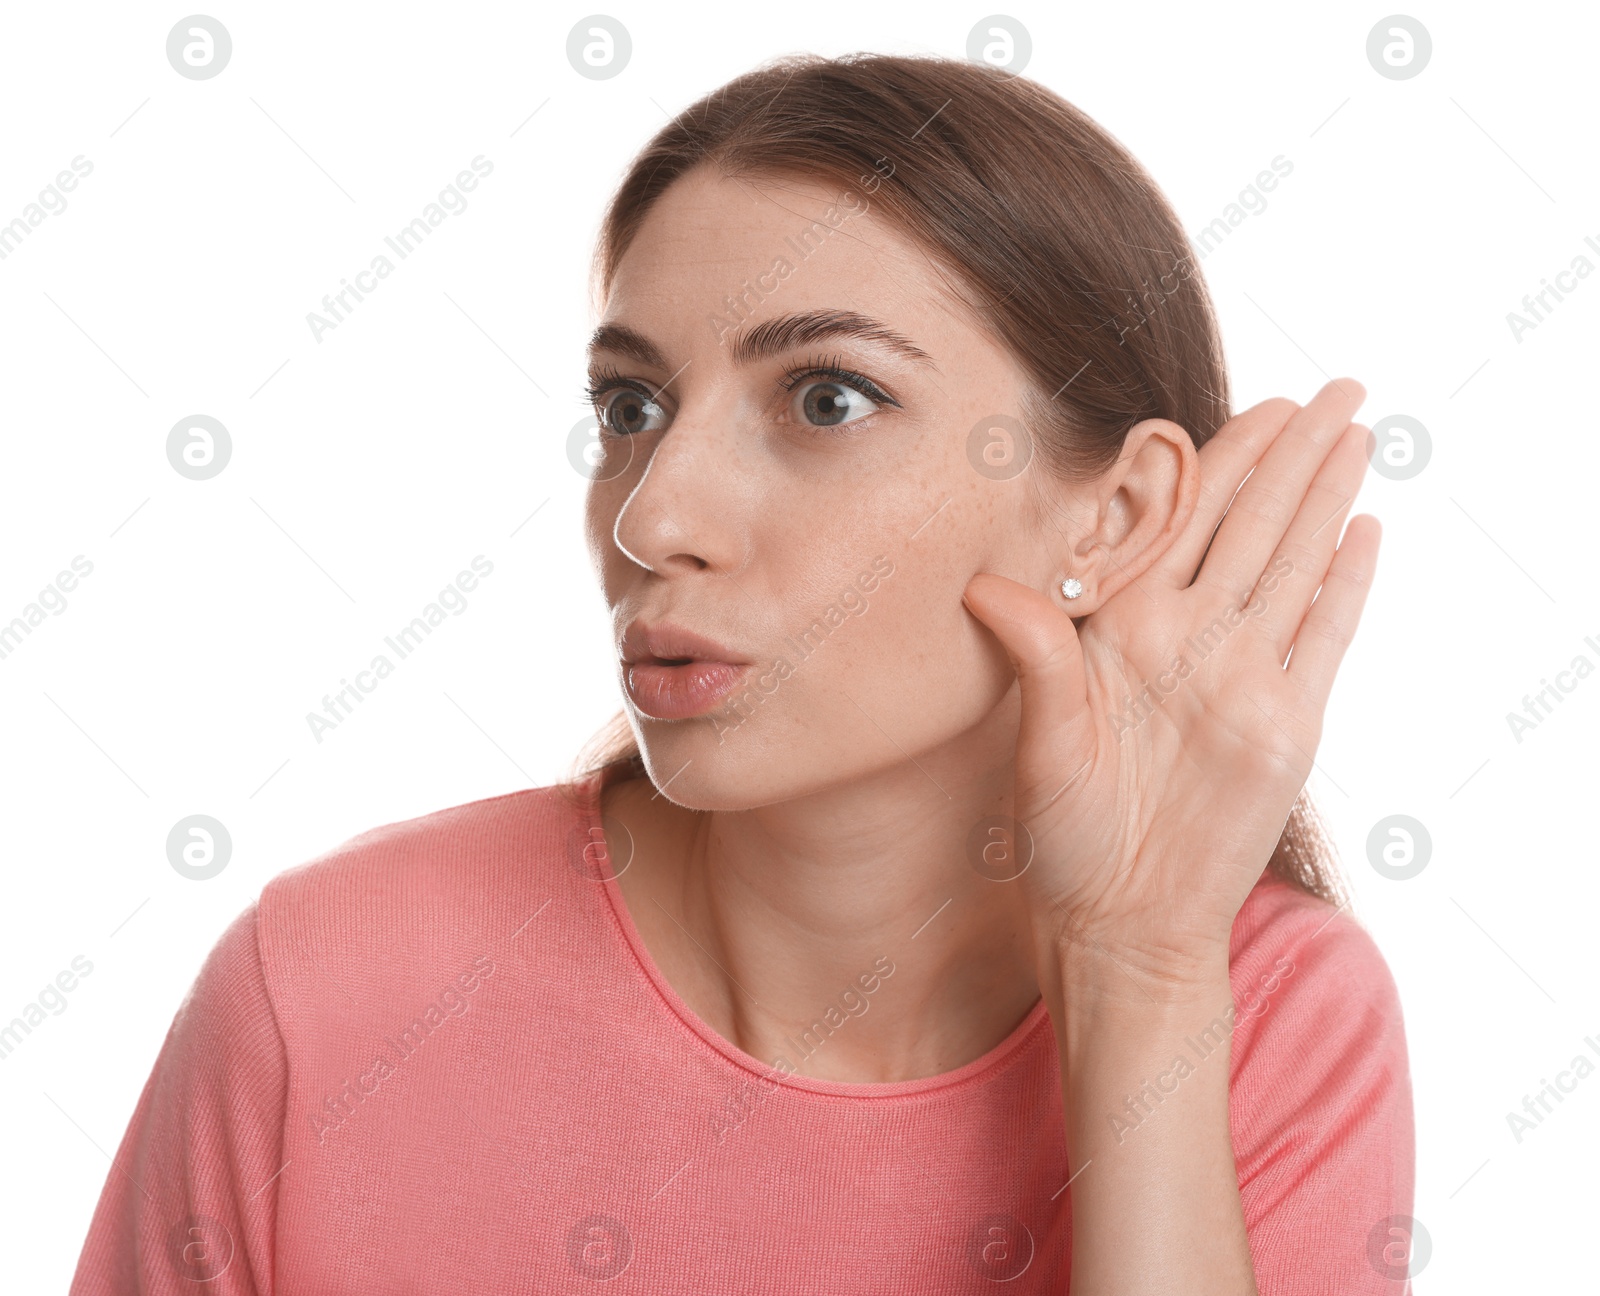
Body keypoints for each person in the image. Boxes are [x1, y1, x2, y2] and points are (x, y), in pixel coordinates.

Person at [71, 52, 1413, 1294]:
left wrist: (1137, 973)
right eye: (629, 408)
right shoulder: (327, 992)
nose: (655, 516)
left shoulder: (1274, 1020)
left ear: (1111, 518)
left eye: (827, 400)